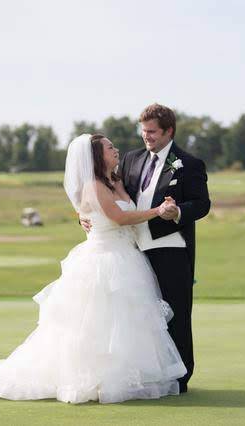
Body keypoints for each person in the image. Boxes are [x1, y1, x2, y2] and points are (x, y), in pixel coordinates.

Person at [0, 133, 186, 404]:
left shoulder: (117, 180)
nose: (116, 149)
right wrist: (157, 211)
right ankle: (92, 379)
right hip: (102, 261)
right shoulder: (93, 186)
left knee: (125, 322)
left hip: (127, 258)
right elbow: (118, 217)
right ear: (97, 157)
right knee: (95, 322)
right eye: (110, 147)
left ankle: (125, 377)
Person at [81, 103, 211, 393]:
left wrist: (177, 211)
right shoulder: (131, 159)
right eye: (143, 132)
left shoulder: (189, 164)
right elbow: (105, 192)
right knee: (141, 317)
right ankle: (148, 374)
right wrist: (84, 214)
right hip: (132, 251)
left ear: (169, 131)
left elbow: (202, 204)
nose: (147, 137)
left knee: (176, 313)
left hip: (171, 249)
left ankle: (180, 378)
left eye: (152, 132)